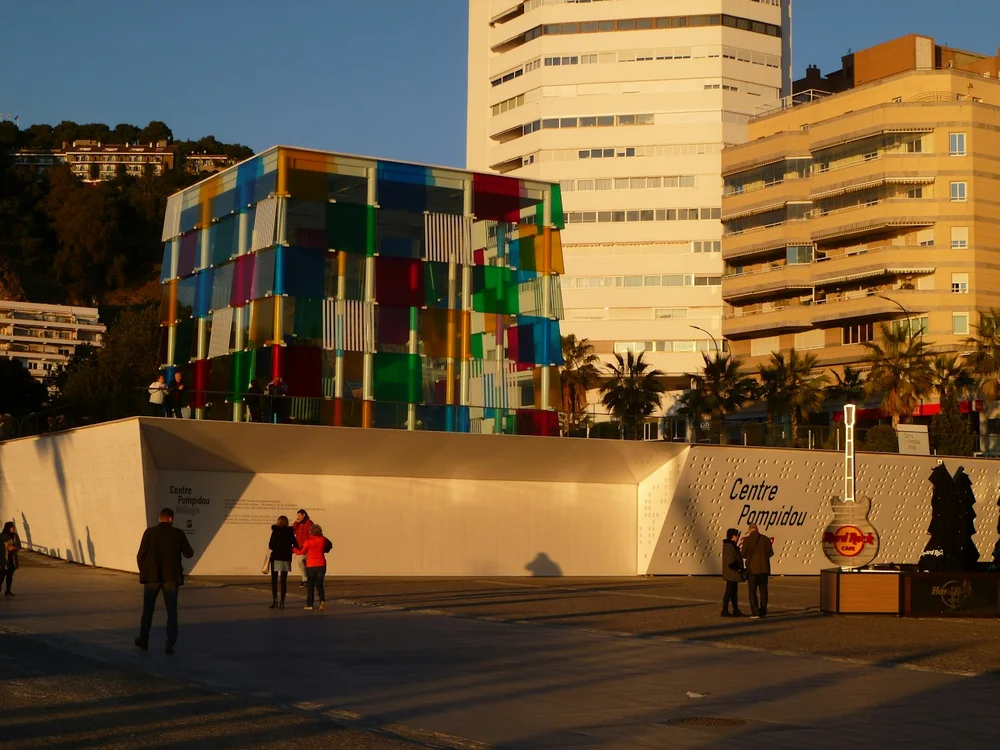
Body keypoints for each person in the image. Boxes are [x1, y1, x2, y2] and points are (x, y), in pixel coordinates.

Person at [135, 508, 194, 654]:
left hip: (152, 578)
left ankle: (144, 640)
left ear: (159, 518)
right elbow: (189, 553)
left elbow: (140, 555)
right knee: (171, 612)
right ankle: (170, 644)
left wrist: (145, 572)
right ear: (171, 519)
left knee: (148, 610)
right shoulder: (177, 533)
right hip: (171, 579)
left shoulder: (149, 533)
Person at [295, 524, 332, 611]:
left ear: (310, 532)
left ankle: (310, 604)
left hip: (311, 565)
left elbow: (300, 552)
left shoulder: (308, 541)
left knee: (311, 585)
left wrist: (293, 548)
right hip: (321, 564)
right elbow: (329, 544)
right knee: (319, 584)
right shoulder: (323, 539)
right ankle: (322, 601)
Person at [742, 522, 774, 620]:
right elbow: (771, 553)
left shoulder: (747, 540)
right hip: (764, 569)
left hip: (752, 570)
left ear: (750, 529)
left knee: (752, 591)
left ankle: (755, 611)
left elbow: (743, 554)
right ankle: (763, 609)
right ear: (757, 529)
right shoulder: (765, 539)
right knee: (763, 590)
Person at [267, 515, 299, 609]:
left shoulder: (275, 531)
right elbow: (295, 544)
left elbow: (271, 545)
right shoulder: (290, 532)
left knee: (274, 580)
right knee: (283, 581)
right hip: (286, 558)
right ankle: (282, 602)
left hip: (276, 557)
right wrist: (291, 550)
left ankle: (274, 601)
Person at [720, 527, 744, 617]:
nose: (737, 537)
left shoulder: (731, 545)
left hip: (732, 573)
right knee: (729, 591)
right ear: (733, 536)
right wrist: (737, 568)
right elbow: (730, 560)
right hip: (731, 573)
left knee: (733, 592)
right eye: (736, 535)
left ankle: (735, 609)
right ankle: (725, 610)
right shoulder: (729, 546)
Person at [292, 509, 313, 587]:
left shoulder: (309, 523)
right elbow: (292, 531)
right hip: (300, 547)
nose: (298, 517)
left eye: (299, 515)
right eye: (297, 515)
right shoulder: (298, 524)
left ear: (304, 515)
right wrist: (296, 522)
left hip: (307, 547)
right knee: (301, 562)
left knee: (302, 561)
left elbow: (312, 535)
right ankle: (306, 579)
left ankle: (306, 579)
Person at [0, 521, 22, 596]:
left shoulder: (15, 536)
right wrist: (6, 547)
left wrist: (14, 547)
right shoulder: (2, 536)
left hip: (12, 559)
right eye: (13, 527)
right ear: (8, 528)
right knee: (1, 576)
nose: (14, 528)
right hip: (3, 560)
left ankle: (8, 590)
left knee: (9, 576)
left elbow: (19, 546)